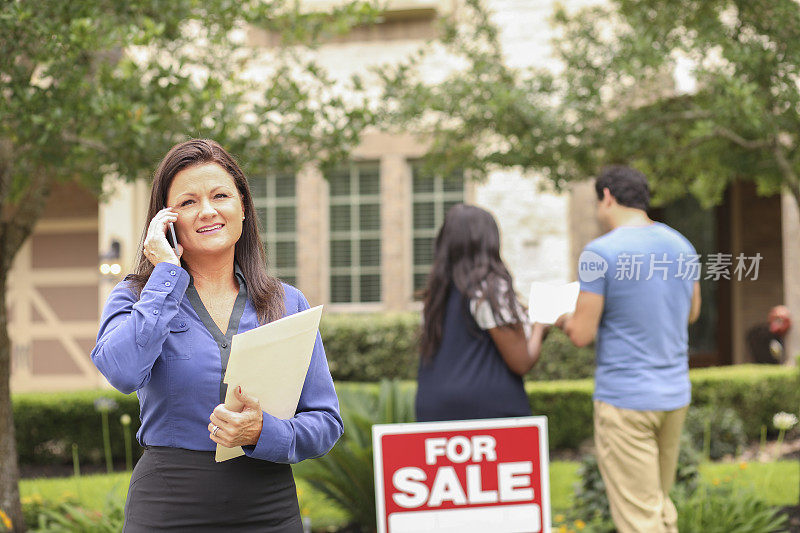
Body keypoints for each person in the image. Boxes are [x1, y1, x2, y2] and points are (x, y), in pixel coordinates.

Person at [91, 139, 343, 532]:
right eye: (188, 202)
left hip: (268, 509)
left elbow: (326, 421)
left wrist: (264, 431)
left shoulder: (286, 302)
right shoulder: (137, 296)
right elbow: (122, 372)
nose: (207, 211)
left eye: (220, 195)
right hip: (168, 508)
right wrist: (165, 276)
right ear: (167, 221)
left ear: (242, 206)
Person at [556, 165, 701, 533]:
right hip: (674, 395)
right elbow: (692, 312)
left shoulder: (600, 253)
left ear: (607, 197)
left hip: (626, 400)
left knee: (639, 519)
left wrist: (561, 318)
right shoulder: (682, 245)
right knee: (658, 505)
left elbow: (581, 334)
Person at [415, 204, 549, 422]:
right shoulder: (489, 290)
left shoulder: (435, 295)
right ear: (489, 243)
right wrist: (541, 326)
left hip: (433, 412)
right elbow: (521, 361)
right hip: (488, 414)